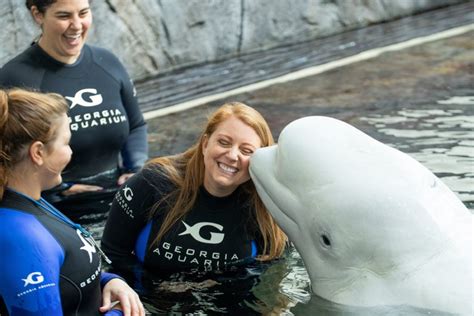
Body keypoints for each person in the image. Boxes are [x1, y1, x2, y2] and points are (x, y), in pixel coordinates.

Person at [0, 88, 145, 315]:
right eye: (66, 142)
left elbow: (64, 276)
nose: (71, 151)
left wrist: (108, 281)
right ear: (38, 152)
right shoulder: (19, 237)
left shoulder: (31, 200)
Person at [0, 0, 148, 221]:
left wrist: (135, 170)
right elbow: (5, 157)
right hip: (54, 209)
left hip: (116, 197)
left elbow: (136, 125)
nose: (77, 25)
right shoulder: (15, 79)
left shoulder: (107, 62)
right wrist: (59, 189)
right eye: (64, 16)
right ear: (38, 15)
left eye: (83, 13)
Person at [101, 102, 287, 272]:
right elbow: (111, 254)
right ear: (205, 144)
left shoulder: (265, 205)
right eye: (224, 142)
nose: (232, 155)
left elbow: (271, 270)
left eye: (246, 151)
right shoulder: (152, 183)